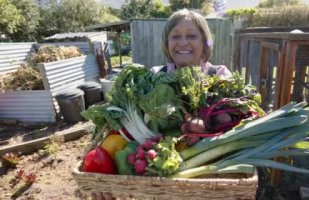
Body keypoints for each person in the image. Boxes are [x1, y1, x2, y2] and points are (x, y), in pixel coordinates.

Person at [92, 8, 231, 200]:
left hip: (209, 178)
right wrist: (105, 179)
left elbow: (236, 125)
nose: (183, 42)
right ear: (167, 43)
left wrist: (206, 126)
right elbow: (127, 135)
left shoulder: (220, 76)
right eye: (175, 37)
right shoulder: (154, 75)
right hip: (157, 176)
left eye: (192, 35)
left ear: (205, 42)